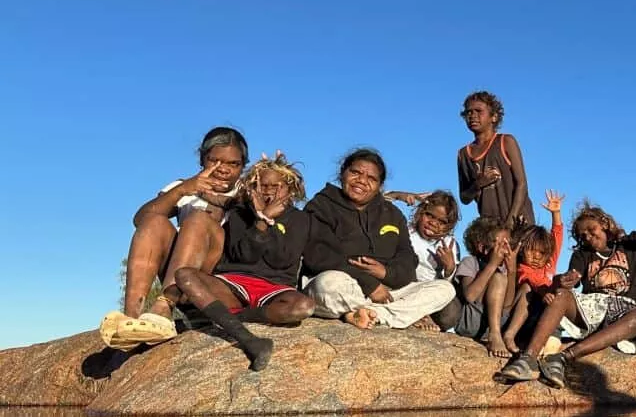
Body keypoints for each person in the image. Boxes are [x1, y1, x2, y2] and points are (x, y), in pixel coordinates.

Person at [172, 153, 316, 371]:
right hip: (234, 283)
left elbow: (281, 259)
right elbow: (242, 256)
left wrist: (268, 221)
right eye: (263, 186)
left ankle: (225, 317)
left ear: (290, 189)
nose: (269, 192)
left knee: (303, 307)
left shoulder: (301, 219)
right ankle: (249, 340)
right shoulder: (240, 213)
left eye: (276, 186)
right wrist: (260, 221)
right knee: (185, 275)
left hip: (275, 287)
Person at [494, 202, 636, 388]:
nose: (588, 237)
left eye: (591, 229)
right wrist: (563, 281)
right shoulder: (582, 255)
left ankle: (562, 358)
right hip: (593, 309)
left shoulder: (631, 245)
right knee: (562, 294)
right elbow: (571, 277)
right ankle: (528, 358)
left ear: (604, 223)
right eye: (583, 235)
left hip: (625, 310)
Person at [114, 127, 248, 341]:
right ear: (203, 159)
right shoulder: (184, 187)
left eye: (234, 164)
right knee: (155, 222)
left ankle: (166, 303)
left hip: (218, 281)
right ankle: (132, 316)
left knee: (198, 219)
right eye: (216, 161)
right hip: (180, 275)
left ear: (243, 167)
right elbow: (140, 220)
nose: (224, 169)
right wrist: (183, 190)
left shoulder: (248, 192)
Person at [303, 149, 456, 330]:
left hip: (387, 291)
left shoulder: (392, 214)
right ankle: (390, 314)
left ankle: (368, 314)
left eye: (371, 178)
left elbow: (407, 258)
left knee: (445, 290)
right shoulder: (321, 205)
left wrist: (385, 273)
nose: (361, 180)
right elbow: (318, 255)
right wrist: (370, 284)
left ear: (379, 185)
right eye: (355, 172)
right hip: (344, 285)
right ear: (342, 173)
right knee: (328, 284)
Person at [500, 190, 566, 354]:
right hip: (519, 316)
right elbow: (531, 280)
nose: (537, 256)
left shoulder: (549, 264)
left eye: (542, 253)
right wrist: (544, 291)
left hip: (539, 317)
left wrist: (556, 213)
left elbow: (556, 237)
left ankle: (546, 342)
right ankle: (509, 335)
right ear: (523, 250)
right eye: (532, 251)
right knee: (528, 289)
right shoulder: (522, 267)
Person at [457, 91, 535, 228]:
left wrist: (511, 221)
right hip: (490, 228)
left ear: (493, 117)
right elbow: (464, 198)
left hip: (520, 224)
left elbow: (521, 184)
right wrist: (477, 184)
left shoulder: (506, 142)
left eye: (478, 111)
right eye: (468, 112)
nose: (472, 115)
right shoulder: (463, 154)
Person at [388, 189, 463, 331]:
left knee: (451, 313)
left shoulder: (450, 245)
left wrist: (449, 269)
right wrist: (396, 196)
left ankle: (419, 313)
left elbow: (446, 284)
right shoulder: (405, 230)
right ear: (420, 212)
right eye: (430, 216)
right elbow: (374, 206)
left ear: (449, 226)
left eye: (442, 222)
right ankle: (415, 316)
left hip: (429, 295)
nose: (433, 223)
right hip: (402, 286)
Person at [447, 217, 519, 356]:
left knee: (503, 279)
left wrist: (512, 272)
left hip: (497, 322)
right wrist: (492, 265)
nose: (507, 249)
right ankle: (495, 335)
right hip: (472, 321)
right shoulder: (470, 262)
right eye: (502, 244)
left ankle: (496, 332)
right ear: (482, 247)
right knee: (497, 278)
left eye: (509, 244)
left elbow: (508, 304)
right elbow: (470, 296)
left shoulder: (504, 270)